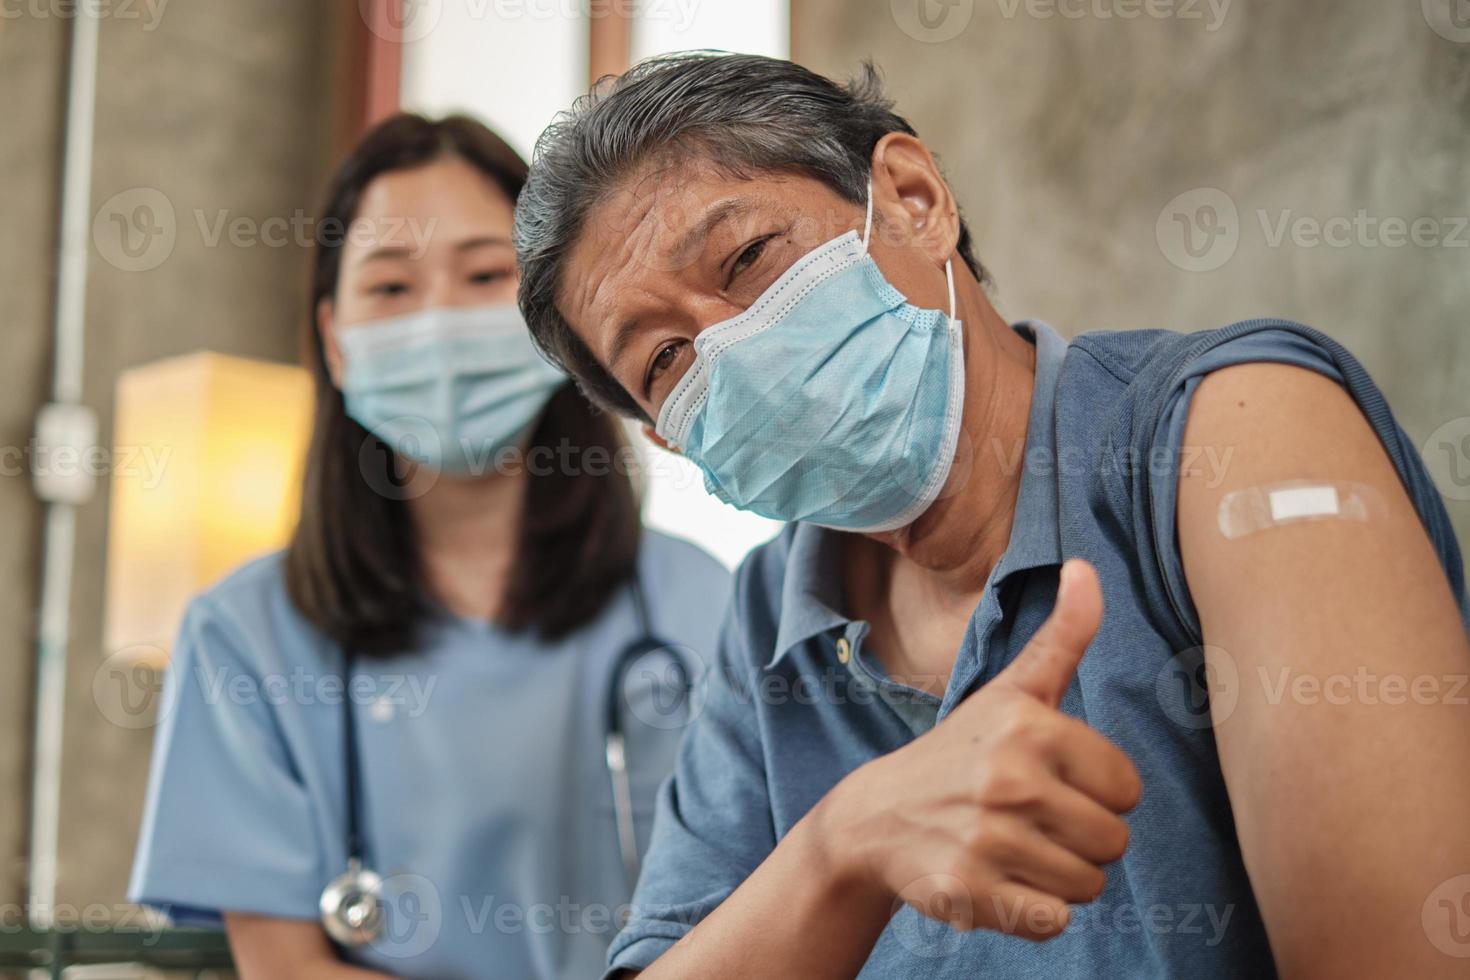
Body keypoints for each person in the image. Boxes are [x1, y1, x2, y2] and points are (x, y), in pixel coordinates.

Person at [511, 53, 1470, 979]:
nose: (730, 350)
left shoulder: (1228, 436)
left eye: (750, 258)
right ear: (674, 442)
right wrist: (844, 846)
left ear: (913, 201)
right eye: (666, 361)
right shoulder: (772, 611)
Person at [129, 113, 731, 979]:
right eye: (392, 289)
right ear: (336, 340)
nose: (441, 322)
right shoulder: (242, 636)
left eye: (486, 274)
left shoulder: (698, 603)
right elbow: (289, 969)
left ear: (552, 312)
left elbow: (756, 913)